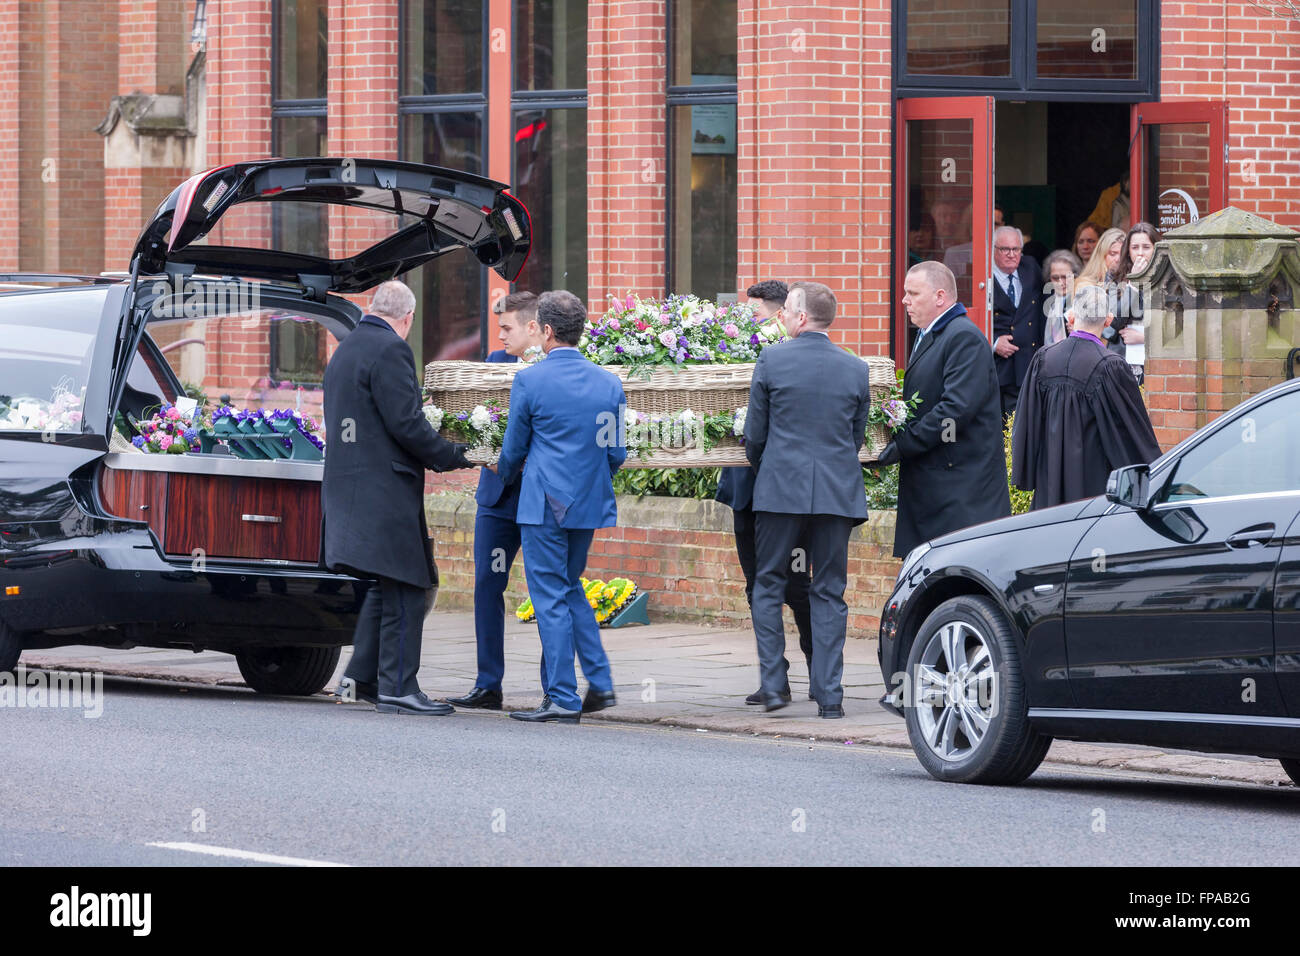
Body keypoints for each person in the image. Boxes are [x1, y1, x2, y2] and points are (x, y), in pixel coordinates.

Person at [323, 279, 474, 716]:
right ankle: (399, 688)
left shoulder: (346, 348)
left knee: (382, 582)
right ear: (406, 318)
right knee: (409, 585)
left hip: (349, 487)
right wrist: (456, 455)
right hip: (383, 491)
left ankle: (360, 680)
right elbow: (406, 424)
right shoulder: (391, 350)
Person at [494, 290, 626, 723]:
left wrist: (505, 474)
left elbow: (513, 450)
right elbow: (616, 451)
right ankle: (599, 682)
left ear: (547, 331)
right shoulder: (609, 382)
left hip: (545, 504)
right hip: (587, 502)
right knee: (569, 589)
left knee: (549, 596)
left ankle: (564, 698)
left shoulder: (530, 381)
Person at [744, 281, 871, 719]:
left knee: (768, 585)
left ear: (799, 317)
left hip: (780, 488)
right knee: (830, 591)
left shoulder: (772, 359)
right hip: (837, 492)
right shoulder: (856, 368)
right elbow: (856, 437)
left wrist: (771, 471)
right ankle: (830, 697)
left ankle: (775, 687)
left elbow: (754, 435)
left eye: (786, 314)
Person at [445, 291, 547, 711]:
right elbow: (474, 422)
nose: (501, 336)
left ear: (533, 328)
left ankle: (553, 689)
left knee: (546, 592)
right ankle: (488, 684)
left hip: (540, 497)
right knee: (488, 584)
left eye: (507, 328)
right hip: (496, 497)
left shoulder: (550, 370)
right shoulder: (494, 365)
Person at [715, 280, 815, 705]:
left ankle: (820, 670)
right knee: (757, 585)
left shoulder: (791, 357)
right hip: (744, 490)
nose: (744, 322)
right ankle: (774, 679)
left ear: (779, 315)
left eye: (753, 314)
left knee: (797, 587)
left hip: (785, 492)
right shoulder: (729, 352)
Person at [877, 261, 1009, 559]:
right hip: (939, 489)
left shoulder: (962, 337)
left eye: (913, 293)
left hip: (960, 495)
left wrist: (903, 444)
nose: (904, 300)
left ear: (940, 296)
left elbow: (955, 411)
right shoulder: (934, 333)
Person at [1011, 283, 1161, 510]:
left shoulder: (1043, 360)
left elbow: (1026, 425)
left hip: (1048, 482)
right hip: (1093, 490)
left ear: (1071, 317)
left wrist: (1028, 473)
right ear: (1109, 320)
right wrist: (1157, 477)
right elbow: (1130, 432)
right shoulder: (1111, 366)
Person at [990, 225, 1043, 418]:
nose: (1011, 254)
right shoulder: (981, 277)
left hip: (1028, 363)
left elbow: (1045, 304)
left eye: (1016, 249)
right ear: (993, 250)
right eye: (1005, 249)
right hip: (998, 368)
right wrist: (994, 343)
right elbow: (972, 318)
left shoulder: (1031, 268)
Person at [1110, 221, 1159, 359]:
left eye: (1146, 247)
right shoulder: (1116, 278)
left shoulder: (1168, 280)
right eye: (1135, 247)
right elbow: (1114, 323)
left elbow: (1178, 327)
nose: (1140, 253)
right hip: (1124, 357)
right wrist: (1133, 285)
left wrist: (1145, 337)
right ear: (1128, 250)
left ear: (1156, 248)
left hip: (1156, 360)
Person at [1041, 249, 1083, 346]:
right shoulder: (1046, 303)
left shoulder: (1084, 301)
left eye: (1065, 277)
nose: (1061, 282)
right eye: (1055, 278)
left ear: (1075, 275)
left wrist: (1082, 332)